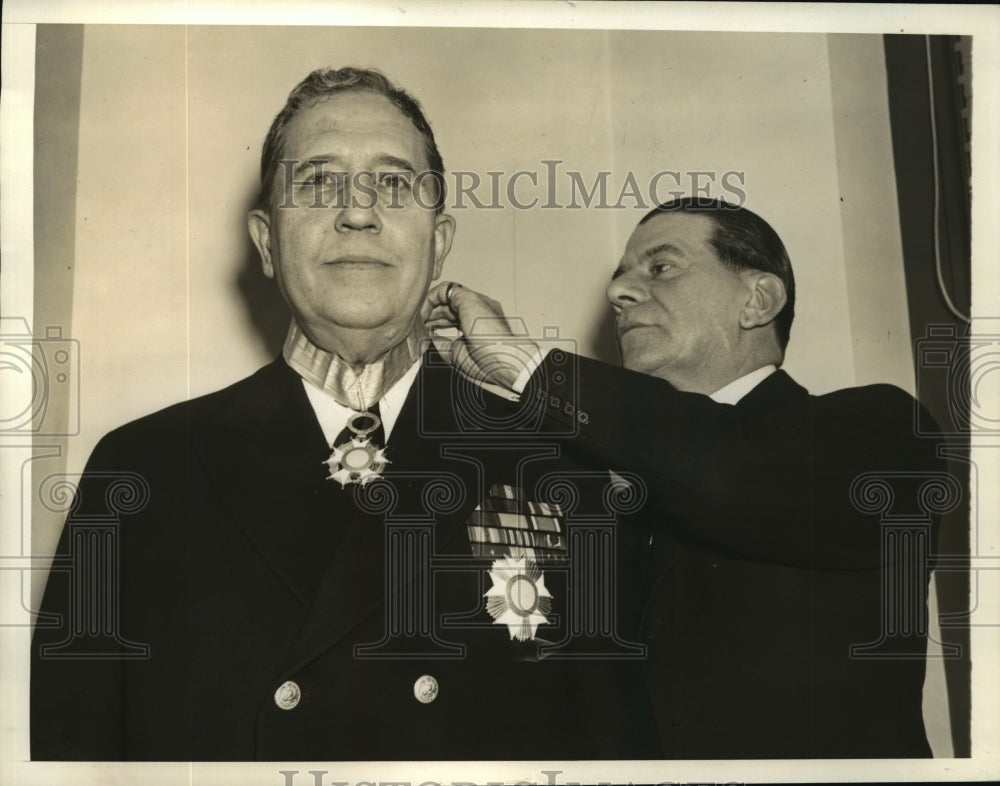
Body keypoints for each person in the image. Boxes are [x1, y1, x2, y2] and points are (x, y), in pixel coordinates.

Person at [30, 67, 656, 761]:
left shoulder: (561, 468)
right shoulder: (144, 467)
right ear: (267, 243)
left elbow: (614, 750)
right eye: (318, 183)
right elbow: (67, 752)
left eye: (393, 184)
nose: (358, 213)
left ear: (440, 240)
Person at [426, 197, 946, 758]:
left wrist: (529, 367)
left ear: (758, 300)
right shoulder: (596, 480)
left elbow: (727, 471)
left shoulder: (881, 429)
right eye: (620, 276)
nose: (617, 293)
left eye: (661, 267)